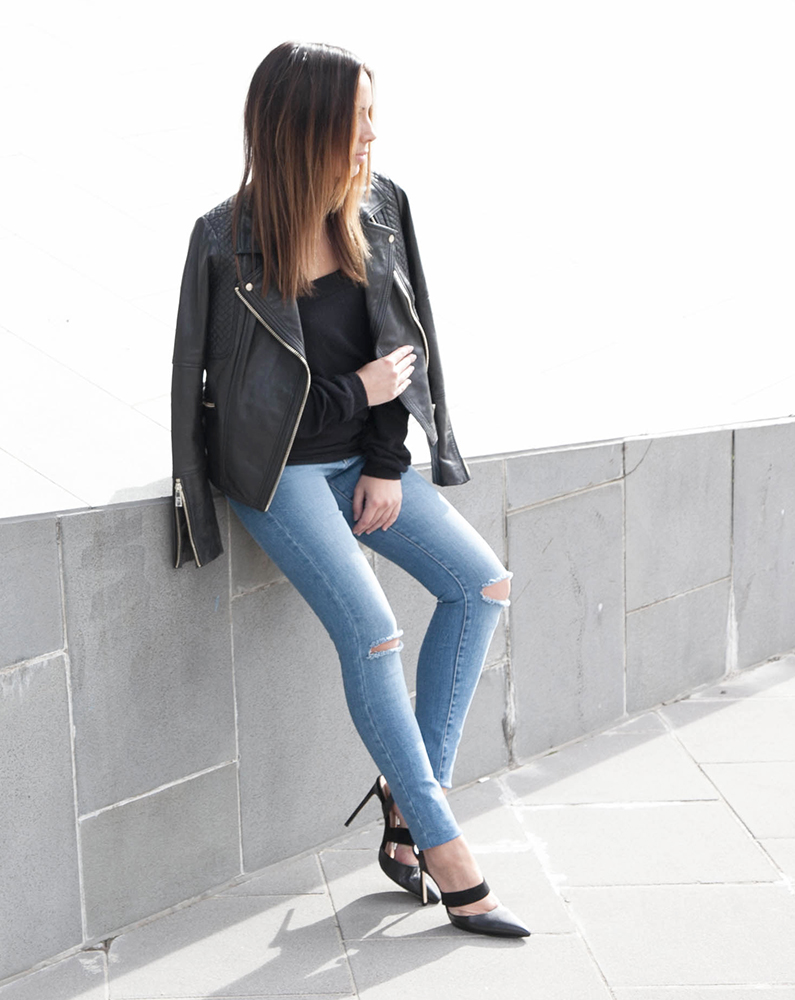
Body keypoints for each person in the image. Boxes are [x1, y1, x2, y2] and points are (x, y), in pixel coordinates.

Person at [171, 40, 529, 939]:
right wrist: (352, 395)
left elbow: (403, 346)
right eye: (357, 118)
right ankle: (446, 849)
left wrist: (383, 457)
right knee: (373, 634)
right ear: (304, 128)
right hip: (278, 473)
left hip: (359, 461)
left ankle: (406, 804)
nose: (373, 133)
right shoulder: (223, 241)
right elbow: (229, 406)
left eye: (372, 114)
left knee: (482, 583)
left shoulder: (381, 206)